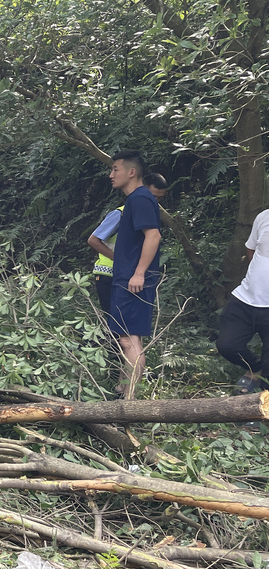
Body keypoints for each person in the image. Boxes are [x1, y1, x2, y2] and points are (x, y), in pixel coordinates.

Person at [107, 150, 162, 398]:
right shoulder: (135, 200)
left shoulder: (140, 199)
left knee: (129, 341)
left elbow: (154, 236)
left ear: (131, 172)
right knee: (126, 339)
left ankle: (129, 400)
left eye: (115, 169)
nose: (111, 175)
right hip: (126, 278)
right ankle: (122, 389)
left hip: (134, 281)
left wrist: (139, 273)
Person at [88, 172, 168, 314]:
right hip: (109, 275)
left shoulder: (148, 217)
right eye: (152, 196)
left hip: (129, 276)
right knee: (115, 322)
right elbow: (93, 240)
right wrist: (119, 260)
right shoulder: (121, 214)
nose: (154, 201)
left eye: (159, 199)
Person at [216, 208, 269, 394]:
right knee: (227, 345)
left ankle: (258, 416)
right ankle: (255, 368)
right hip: (246, 298)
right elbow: (251, 248)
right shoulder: (263, 217)